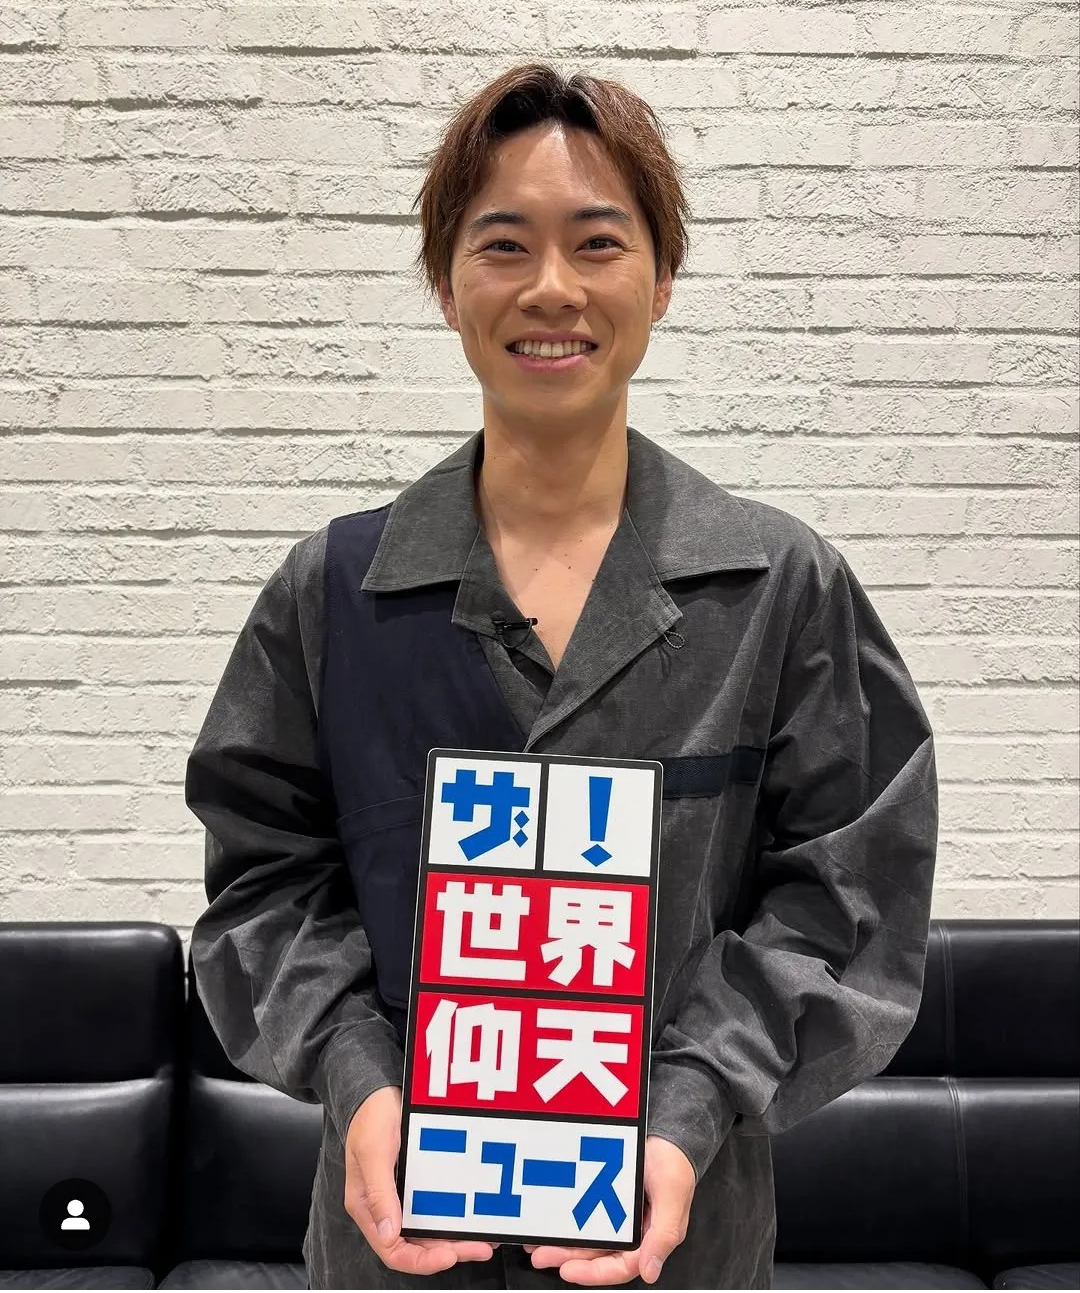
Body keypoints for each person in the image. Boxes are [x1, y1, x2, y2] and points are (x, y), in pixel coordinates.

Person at [184, 62, 939, 1290]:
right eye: (503, 244)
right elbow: (263, 884)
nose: (551, 288)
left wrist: (686, 1111)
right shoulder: (334, 592)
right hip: (398, 1241)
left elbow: (849, 895)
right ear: (445, 284)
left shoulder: (777, 588)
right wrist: (362, 1081)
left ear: (661, 279)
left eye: (598, 243)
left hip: (678, 1243)